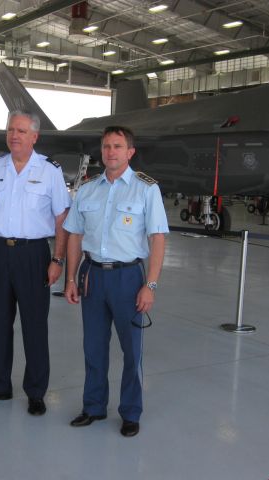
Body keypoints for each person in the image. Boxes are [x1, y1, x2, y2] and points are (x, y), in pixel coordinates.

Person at [64, 125, 168, 437]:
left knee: (131, 351)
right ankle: (94, 406)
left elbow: (158, 238)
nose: (111, 152)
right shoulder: (87, 189)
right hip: (93, 275)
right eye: (107, 146)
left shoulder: (146, 189)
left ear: (130, 152)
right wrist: (71, 278)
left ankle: (130, 412)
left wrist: (150, 285)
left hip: (128, 278)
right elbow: (74, 235)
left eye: (118, 146)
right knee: (93, 347)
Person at [0, 110, 70, 416]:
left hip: (34, 255)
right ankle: (0, 384)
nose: (14, 135)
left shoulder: (49, 171)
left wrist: (58, 259)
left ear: (34, 137)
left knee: (34, 326)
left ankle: (36, 391)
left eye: (22, 131)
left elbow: (62, 219)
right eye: (11, 130)